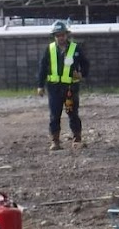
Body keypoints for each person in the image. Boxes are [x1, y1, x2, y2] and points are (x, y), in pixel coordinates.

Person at [35, 21, 89, 151]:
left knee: (72, 113)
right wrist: (40, 85)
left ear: (66, 35)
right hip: (54, 88)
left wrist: (81, 74)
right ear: (54, 36)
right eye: (58, 35)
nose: (60, 37)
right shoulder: (50, 49)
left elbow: (86, 64)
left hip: (70, 88)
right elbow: (42, 68)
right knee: (54, 114)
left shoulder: (75, 48)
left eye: (62, 35)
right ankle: (55, 141)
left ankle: (77, 139)